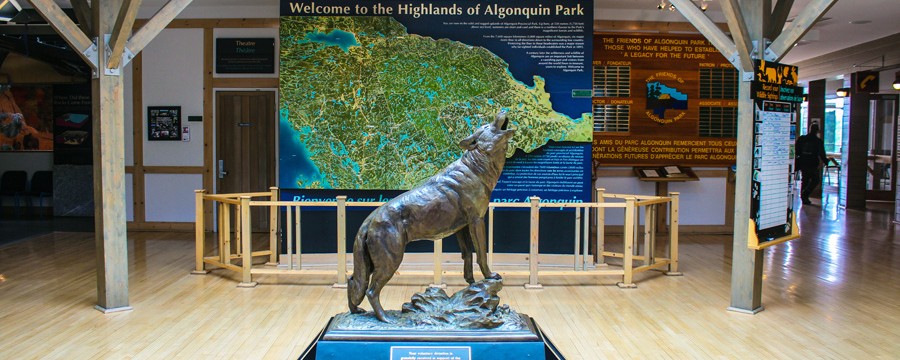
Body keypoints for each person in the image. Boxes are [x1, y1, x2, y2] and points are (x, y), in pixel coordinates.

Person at [795, 123, 828, 205]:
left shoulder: (802, 139)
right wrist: (826, 161)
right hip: (812, 164)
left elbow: (796, 150)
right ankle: (805, 194)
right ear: (817, 130)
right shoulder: (818, 141)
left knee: (805, 180)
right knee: (815, 180)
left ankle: (804, 196)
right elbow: (822, 153)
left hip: (803, 163)